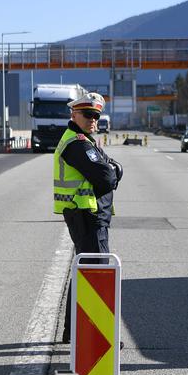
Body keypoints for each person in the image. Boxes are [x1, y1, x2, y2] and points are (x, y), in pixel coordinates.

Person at [53, 92, 123, 343]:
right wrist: (112, 171)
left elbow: (107, 168)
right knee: (97, 274)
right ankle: (98, 333)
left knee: (85, 271)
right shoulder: (77, 144)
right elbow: (106, 177)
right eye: (88, 115)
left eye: (97, 115)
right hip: (87, 215)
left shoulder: (84, 141)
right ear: (74, 115)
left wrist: (110, 168)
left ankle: (73, 330)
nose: (94, 119)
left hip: (88, 214)